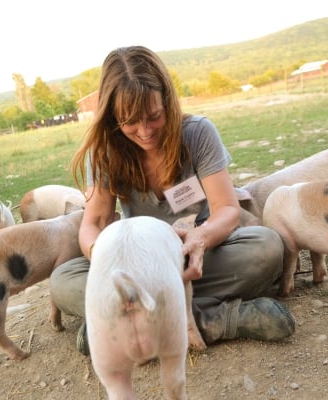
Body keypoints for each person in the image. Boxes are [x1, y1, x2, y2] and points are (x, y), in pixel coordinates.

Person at [50, 45, 295, 355]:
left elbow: (227, 210)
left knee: (266, 248)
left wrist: (201, 237)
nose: (144, 131)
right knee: (62, 281)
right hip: (137, 265)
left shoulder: (198, 134)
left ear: (167, 99)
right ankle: (217, 319)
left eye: (154, 116)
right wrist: (103, 255)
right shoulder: (105, 153)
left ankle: (127, 326)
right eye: (129, 122)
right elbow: (93, 223)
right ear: (113, 118)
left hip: (195, 258)